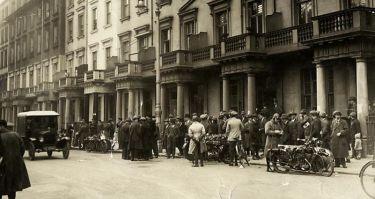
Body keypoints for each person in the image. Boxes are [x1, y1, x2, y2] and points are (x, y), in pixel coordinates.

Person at [0, 120, 31, 199]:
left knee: (2, 184)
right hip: (16, 165)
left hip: (4, 165)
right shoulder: (16, 134)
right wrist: (16, 158)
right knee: (12, 187)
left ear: (1, 126)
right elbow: (23, 149)